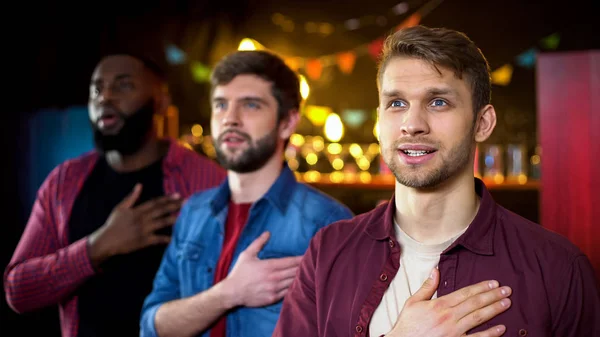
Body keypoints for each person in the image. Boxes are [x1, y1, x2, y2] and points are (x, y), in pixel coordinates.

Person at [273, 25, 600, 337]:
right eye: (396, 103)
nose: (412, 124)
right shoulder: (327, 252)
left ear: (482, 123)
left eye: (438, 102)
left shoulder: (557, 268)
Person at [4, 53, 226, 337]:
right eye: (97, 88)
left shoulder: (207, 182)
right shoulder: (63, 183)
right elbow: (18, 291)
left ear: (160, 100)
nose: (105, 97)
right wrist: (97, 248)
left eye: (123, 86)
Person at [139, 50, 353, 337]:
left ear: (287, 122)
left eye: (250, 105)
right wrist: (228, 293)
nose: (230, 118)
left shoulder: (328, 222)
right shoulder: (194, 211)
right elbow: (151, 326)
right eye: (220, 105)